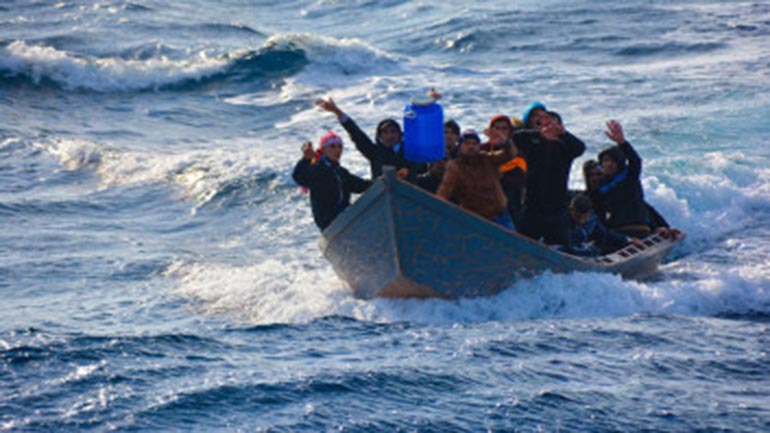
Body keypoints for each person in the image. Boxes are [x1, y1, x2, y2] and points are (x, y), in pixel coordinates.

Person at [513, 102, 586, 245]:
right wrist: (540, 133)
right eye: (542, 121)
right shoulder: (532, 141)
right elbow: (515, 137)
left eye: (553, 123)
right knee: (524, 245)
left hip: (557, 209)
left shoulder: (564, 146)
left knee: (561, 247)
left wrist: (563, 133)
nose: (549, 126)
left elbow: (580, 148)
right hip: (532, 207)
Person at [315, 97, 427, 181]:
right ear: (379, 136)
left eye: (393, 131)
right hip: (383, 197)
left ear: (399, 134)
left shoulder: (411, 150)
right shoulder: (374, 152)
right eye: (385, 132)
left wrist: (408, 171)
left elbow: (423, 167)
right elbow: (356, 134)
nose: (389, 136)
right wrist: (337, 111)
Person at [435, 129, 516, 230]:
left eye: (475, 143)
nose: (471, 146)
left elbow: (510, 154)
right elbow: (443, 192)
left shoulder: (487, 159)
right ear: (460, 146)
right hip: (476, 219)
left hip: (501, 215)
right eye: (467, 143)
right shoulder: (455, 167)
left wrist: (505, 142)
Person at [292, 131, 372, 231]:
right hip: (329, 224)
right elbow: (299, 177)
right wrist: (306, 159)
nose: (337, 150)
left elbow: (360, 185)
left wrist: (386, 179)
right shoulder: (317, 169)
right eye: (332, 146)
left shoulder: (341, 172)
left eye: (340, 146)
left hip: (346, 219)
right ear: (324, 150)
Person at [596, 119, 657, 238]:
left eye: (613, 161)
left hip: (637, 229)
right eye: (605, 161)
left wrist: (622, 142)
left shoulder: (629, 176)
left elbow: (635, 160)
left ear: (620, 162)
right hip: (616, 231)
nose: (609, 164)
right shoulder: (602, 183)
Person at [557, 194, 640, 256]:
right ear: (571, 210)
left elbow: (605, 235)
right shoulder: (562, 218)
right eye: (577, 216)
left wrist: (627, 239)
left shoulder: (592, 220)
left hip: (580, 249)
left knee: (595, 251)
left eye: (584, 217)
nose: (581, 221)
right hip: (563, 246)